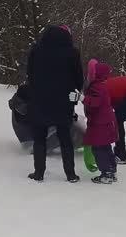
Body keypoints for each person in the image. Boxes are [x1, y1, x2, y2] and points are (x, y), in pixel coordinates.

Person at [26, 25, 84, 183]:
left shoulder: (36, 50)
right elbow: (79, 79)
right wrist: (73, 89)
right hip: (63, 102)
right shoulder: (72, 53)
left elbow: (29, 75)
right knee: (65, 138)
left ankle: (38, 173)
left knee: (39, 138)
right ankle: (70, 174)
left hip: (39, 100)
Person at [78, 59, 118, 184]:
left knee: (98, 149)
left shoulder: (97, 86)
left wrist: (82, 98)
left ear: (97, 74)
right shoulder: (102, 85)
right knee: (105, 147)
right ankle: (111, 170)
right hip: (105, 122)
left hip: (99, 123)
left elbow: (96, 102)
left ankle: (106, 173)